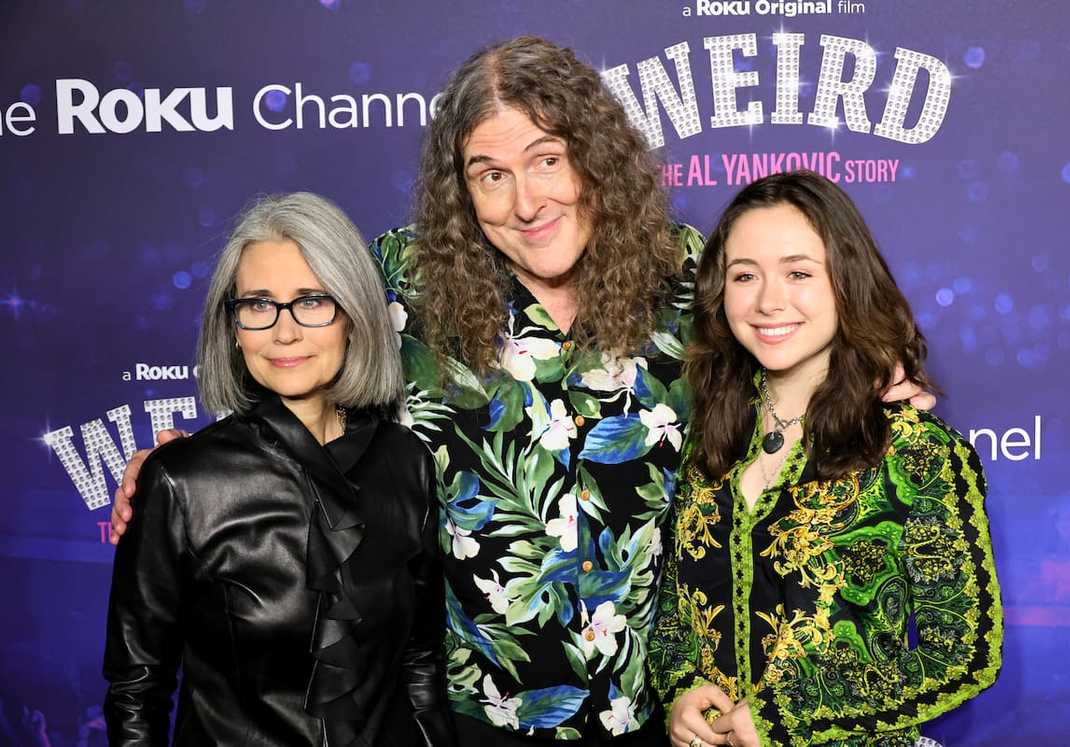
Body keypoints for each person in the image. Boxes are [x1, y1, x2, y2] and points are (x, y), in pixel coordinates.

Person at [109, 38, 931, 746]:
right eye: (490, 174)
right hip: (469, 717)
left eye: (547, 159)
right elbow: (293, 348)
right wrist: (190, 462)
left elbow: (792, 344)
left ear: (595, 154)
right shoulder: (404, 280)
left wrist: (876, 377)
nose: (526, 201)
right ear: (461, 189)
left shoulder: (689, 276)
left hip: (652, 714)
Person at [650, 171, 1002, 747]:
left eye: (798, 273)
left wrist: (787, 715)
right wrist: (681, 690)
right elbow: (673, 615)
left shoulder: (913, 449)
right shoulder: (707, 436)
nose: (768, 301)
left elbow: (965, 654)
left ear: (846, 281)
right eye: (745, 276)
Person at [102, 193, 456, 746]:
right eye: (258, 304)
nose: (283, 331)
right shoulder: (183, 480)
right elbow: (136, 692)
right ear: (233, 325)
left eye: (311, 301)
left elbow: (420, 666)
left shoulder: (405, 461)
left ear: (353, 314)